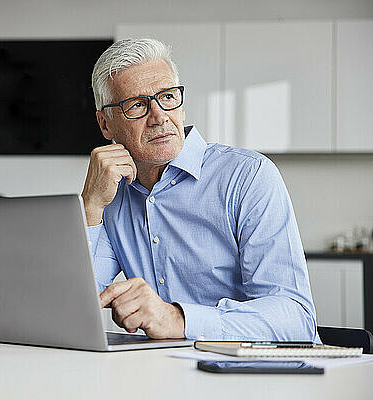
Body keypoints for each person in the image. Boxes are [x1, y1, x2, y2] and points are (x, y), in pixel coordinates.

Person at [81, 38, 319, 341]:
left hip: (262, 375)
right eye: (138, 105)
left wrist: (179, 320)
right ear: (105, 125)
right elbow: (76, 306)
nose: (159, 117)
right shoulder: (110, 194)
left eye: (167, 97)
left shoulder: (247, 176)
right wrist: (90, 207)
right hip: (167, 372)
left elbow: (295, 319)